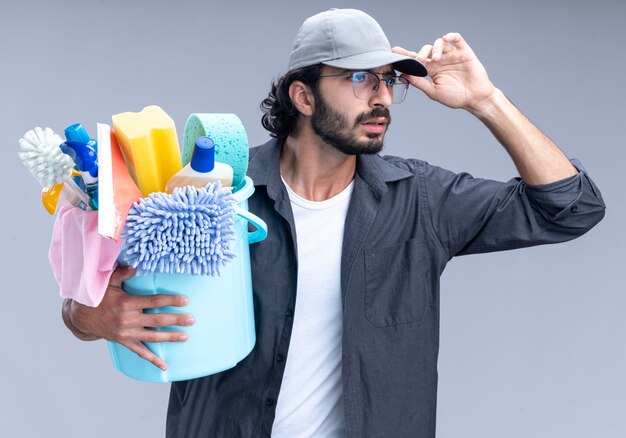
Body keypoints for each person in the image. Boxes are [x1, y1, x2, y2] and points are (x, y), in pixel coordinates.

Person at [62, 8, 605, 438]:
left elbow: (571, 207)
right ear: (302, 95)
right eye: (360, 78)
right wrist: (91, 316)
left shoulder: (419, 201)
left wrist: (487, 101)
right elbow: (88, 300)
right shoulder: (211, 194)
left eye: (391, 81)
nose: (383, 96)